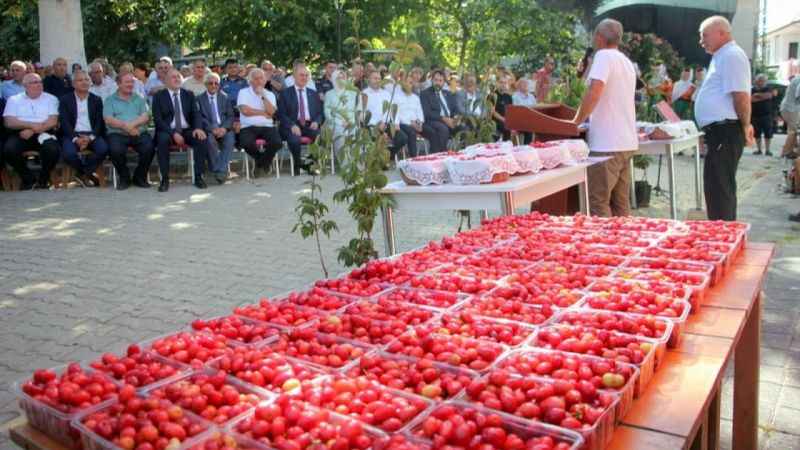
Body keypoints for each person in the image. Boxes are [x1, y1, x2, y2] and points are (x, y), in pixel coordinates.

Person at [571, 18, 638, 218]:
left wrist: (575, 120)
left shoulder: (603, 56)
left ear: (599, 38)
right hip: (625, 141)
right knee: (620, 204)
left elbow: (595, 91)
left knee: (598, 202)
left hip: (606, 143)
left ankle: (604, 247)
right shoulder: (625, 61)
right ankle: (626, 245)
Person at [694, 15, 753, 221]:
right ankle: (722, 232)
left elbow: (741, 95)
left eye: (705, 35)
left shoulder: (732, 55)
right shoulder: (722, 55)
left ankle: (724, 235)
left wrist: (745, 126)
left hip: (725, 131)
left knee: (720, 189)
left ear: (722, 32)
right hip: (719, 131)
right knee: (717, 187)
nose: (701, 41)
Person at [152, 69, 210, 191]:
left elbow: (196, 114)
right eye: (173, 77)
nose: (177, 79)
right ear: (166, 81)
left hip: (186, 129)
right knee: (162, 140)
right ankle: (165, 179)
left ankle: (198, 177)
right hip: (167, 130)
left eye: (178, 76)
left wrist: (198, 128)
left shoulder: (188, 94)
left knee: (201, 139)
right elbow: (158, 120)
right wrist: (173, 133)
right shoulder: (159, 96)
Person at [2, 73, 60, 189]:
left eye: (40, 82)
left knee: (52, 150)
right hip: (21, 133)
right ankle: (28, 178)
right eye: (34, 82)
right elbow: (9, 122)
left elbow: (53, 121)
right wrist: (30, 126)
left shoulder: (51, 98)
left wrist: (32, 131)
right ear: (25, 86)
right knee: (9, 150)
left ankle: (43, 179)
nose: (39, 85)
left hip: (44, 132)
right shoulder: (14, 100)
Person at [104, 73, 154, 190]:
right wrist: (126, 127)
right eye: (127, 82)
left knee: (149, 147)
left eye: (132, 82)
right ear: (118, 84)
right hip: (117, 133)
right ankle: (124, 177)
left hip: (138, 132)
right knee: (115, 150)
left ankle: (139, 177)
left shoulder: (139, 98)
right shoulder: (110, 100)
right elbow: (108, 119)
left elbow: (146, 116)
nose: (130, 84)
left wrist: (132, 126)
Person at [58, 70, 108, 187]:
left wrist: (90, 138)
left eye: (86, 80)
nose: (84, 82)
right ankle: (86, 174)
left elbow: (99, 122)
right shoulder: (65, 100)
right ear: (73, 84)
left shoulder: (96, 100)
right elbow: (64, 123)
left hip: (91, 134)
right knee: (69, 153)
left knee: (103, 149)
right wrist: (76, 138)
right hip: (72, 134)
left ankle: (82, 174)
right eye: (80, 80)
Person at [278, 63, 324, 173]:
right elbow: (281, 114)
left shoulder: (313, 93)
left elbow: (320, 113)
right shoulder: (285, 93)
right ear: (294, 76)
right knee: (294, 140)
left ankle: (310, 165)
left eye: (306, 75)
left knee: (320, 137)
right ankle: (297, 164)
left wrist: (317, 122)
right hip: (291, 125)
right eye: (301, 75)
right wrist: (292, 125)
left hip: (309, 124)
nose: (304, 77)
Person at [237, 68, 282, 177]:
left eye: (261, 78)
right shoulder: (243, 92)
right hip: (248, 126)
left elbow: (272, 113)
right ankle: (263, 162)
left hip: (267, 126)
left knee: (277, 142)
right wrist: (263, 113)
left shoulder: (269, 94)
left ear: (265, 80)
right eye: (255, 79)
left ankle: (260, 163)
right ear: (250, 81)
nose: (258, 81)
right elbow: (245, 111)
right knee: (245, 143)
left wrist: (262, 96)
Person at [197, 73, 235, 184]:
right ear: (205, 84)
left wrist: (224, 128)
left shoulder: (225, 97)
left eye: (216, 83)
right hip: (209, 129)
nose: (214, 85)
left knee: (230, 140)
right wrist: (212, 128)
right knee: (209, 141)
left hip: (224, 128)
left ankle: (218, 170)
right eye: (210, 83)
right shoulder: (199, 99)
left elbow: (230, 116)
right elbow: (200, 117)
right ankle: (221, 171)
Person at [363, 70, 407, 159]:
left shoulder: (386, 94)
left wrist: (396, 122)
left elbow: (395, 110)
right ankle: (377, 159)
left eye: (379, 78)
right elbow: (362, 114)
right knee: (377, 139)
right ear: (369, 80)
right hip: (372, 126)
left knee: (402, 138)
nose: (377, 80)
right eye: (375, 78)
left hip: (388, 124)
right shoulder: (364, 94)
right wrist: (377, 124)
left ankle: (387, 157)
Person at [420, 70, 459, 153]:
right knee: (443, 129)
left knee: (464, 128)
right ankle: (442, 155)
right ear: (431, 80)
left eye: (440, 80)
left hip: (450, 121)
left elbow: (455, 109)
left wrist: (455, 119)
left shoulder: (448, 93)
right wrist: (444, 119)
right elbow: (427, 113)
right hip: (433, 121)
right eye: (436, 80)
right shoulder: (425, 94)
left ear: (444, 82)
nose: (438, 83)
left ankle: (463, 155)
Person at [324, 69, 360, 156]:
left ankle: (359, 167)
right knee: (340, 135)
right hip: (335, 124)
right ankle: (345, 166)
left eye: (343, 77)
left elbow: (355, 110)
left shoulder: (353, 93)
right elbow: (327, 112)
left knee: (357, 136)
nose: (341, 79)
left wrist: (349, 122)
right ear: (333, 79)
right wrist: (340, 122)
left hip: (350, 123)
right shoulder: (329, 94)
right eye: (338, 78)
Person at [394, 74, 425, 158]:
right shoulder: (396, 97)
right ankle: (414, 158)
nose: (408, 85)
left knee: (432, 129)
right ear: (402, 83)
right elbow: (395, 114)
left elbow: (420, 112)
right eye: (406, 82)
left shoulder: (416, 98)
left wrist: (419, 123)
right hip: (401, 124)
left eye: (410, 83)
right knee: (411, 131)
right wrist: (411, 123)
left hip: (415, 124)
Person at [750, 74, 774, 156]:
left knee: (768, 133)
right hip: (755, 115)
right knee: (757, 133)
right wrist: (762, 96)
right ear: (756, 81)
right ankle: (759, 150)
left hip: (766, 115)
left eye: (763, 80)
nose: (761, 82)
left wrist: (757, 95)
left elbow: (769, 96)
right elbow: (751, 99)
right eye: (760, 80)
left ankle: (768, 150)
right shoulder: (752, 89)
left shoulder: (768, 88)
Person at [780, 74, 800, 159]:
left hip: (787, 108)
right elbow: (798, 95)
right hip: (791, 109)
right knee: (793, 131)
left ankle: (790, 151)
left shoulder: (797, 78)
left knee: (792, 130)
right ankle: (786, 152)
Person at [511, 79, 536, 144]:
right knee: (529, 129)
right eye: (523, 84)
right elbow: (514, 111)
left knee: (535, 128)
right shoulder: (515, 96)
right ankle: (525, 148)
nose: (526, 85)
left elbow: (536, 108)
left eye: (527, 84)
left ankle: (529, 148)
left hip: (530, 121)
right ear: (519, 86)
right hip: (519, 121)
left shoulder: (531, 96)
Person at [492, 74, 514, 141]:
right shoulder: (492, 95)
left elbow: (511, 111)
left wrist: (510, 120)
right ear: (497, 83)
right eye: (501, 82)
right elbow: (492, 112)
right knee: (505, 126)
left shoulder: (508, 96)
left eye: (505, 83)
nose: (503, 84)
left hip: (506, 121)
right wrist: (504, 120)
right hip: (495, 122)